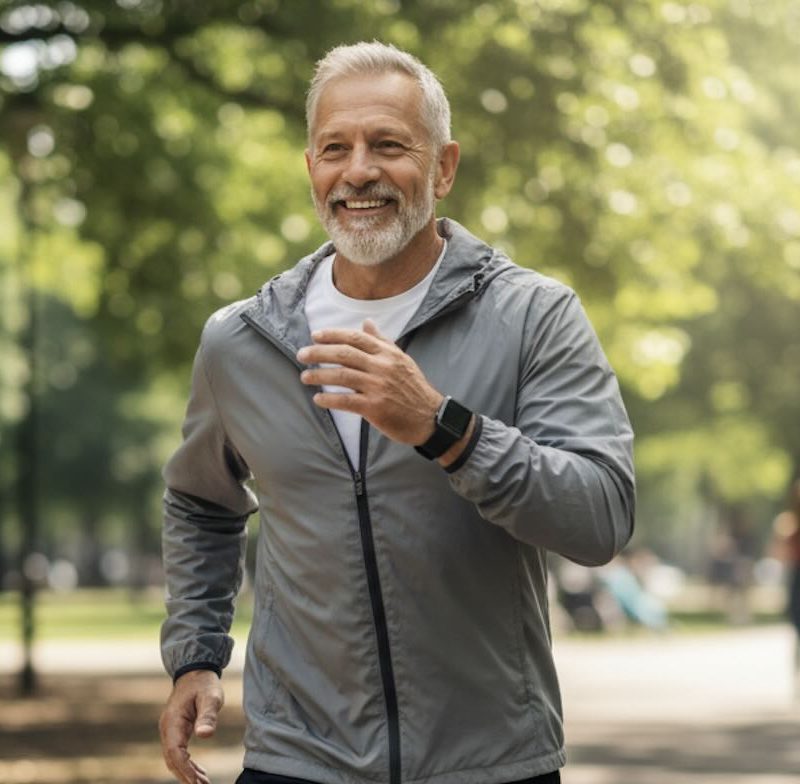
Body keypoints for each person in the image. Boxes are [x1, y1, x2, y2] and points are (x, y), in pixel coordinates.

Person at [158, 41, 635, 784]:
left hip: (488, 763)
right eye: (334, 148)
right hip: (296, 760)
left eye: (388, 145)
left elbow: (600, 516)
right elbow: (199, 502)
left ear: (443, 167)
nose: (358, 171)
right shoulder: (241, 341)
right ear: (310, 168)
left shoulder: (534, 316)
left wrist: (445, 429)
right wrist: (195, 655)